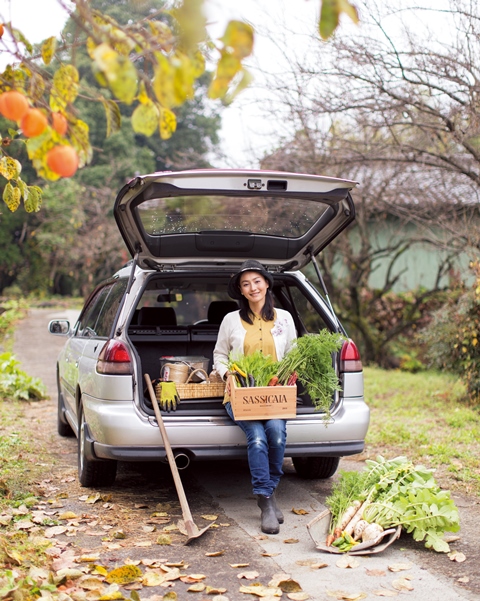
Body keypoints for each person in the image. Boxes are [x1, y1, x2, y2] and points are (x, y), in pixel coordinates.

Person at [213, 260, 297, 534]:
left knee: (277, 434)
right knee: (258, 438)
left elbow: (294, 353)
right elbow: (219, 356)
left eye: (256, 281)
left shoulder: (284, 318)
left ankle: (268, 495)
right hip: (241, 396)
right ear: (240, 290)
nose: (253, 288)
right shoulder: (230, 320)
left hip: (274, 395)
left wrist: (293, 372)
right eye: (245, 284)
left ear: (267, 283)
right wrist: (227, 375)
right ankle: (265, 501)